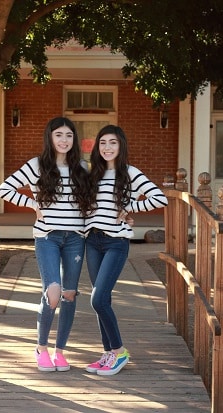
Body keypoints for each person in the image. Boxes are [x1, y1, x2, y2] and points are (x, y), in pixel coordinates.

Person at [0, 117, 90, 372]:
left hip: (75, 238)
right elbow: (4, 189)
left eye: (69, 135)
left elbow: (93, 199)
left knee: (69, 295)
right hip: (47, 237)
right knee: (53, 293)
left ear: (74, 140)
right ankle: (41, 348)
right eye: (58, 135)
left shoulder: (82, 167)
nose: (64, 140)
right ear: (50, 137)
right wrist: (33, 205)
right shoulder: (37, 165)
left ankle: (60, 352)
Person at [84, 124, 168, 376]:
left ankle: (119, 352)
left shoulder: (130, 172)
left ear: (121, 146)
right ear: (97, 147)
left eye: (113, 142)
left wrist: (130, 207)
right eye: (102, 143)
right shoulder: (93, 175)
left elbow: (159, 197)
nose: (107, 147)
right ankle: (108, 352)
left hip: (115, 243)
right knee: (102, 301)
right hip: (92, 241)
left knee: (97, 298)